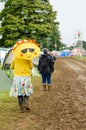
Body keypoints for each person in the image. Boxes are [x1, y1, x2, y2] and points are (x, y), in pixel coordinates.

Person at [10, 39, 40, 113]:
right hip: (26, 77)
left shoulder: (15, 59)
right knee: (27, 91)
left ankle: (21, 107)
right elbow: (31, 67)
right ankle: (26, 104)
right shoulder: (28, 59)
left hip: (17, 77)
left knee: (19, 93)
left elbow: (11, 67)